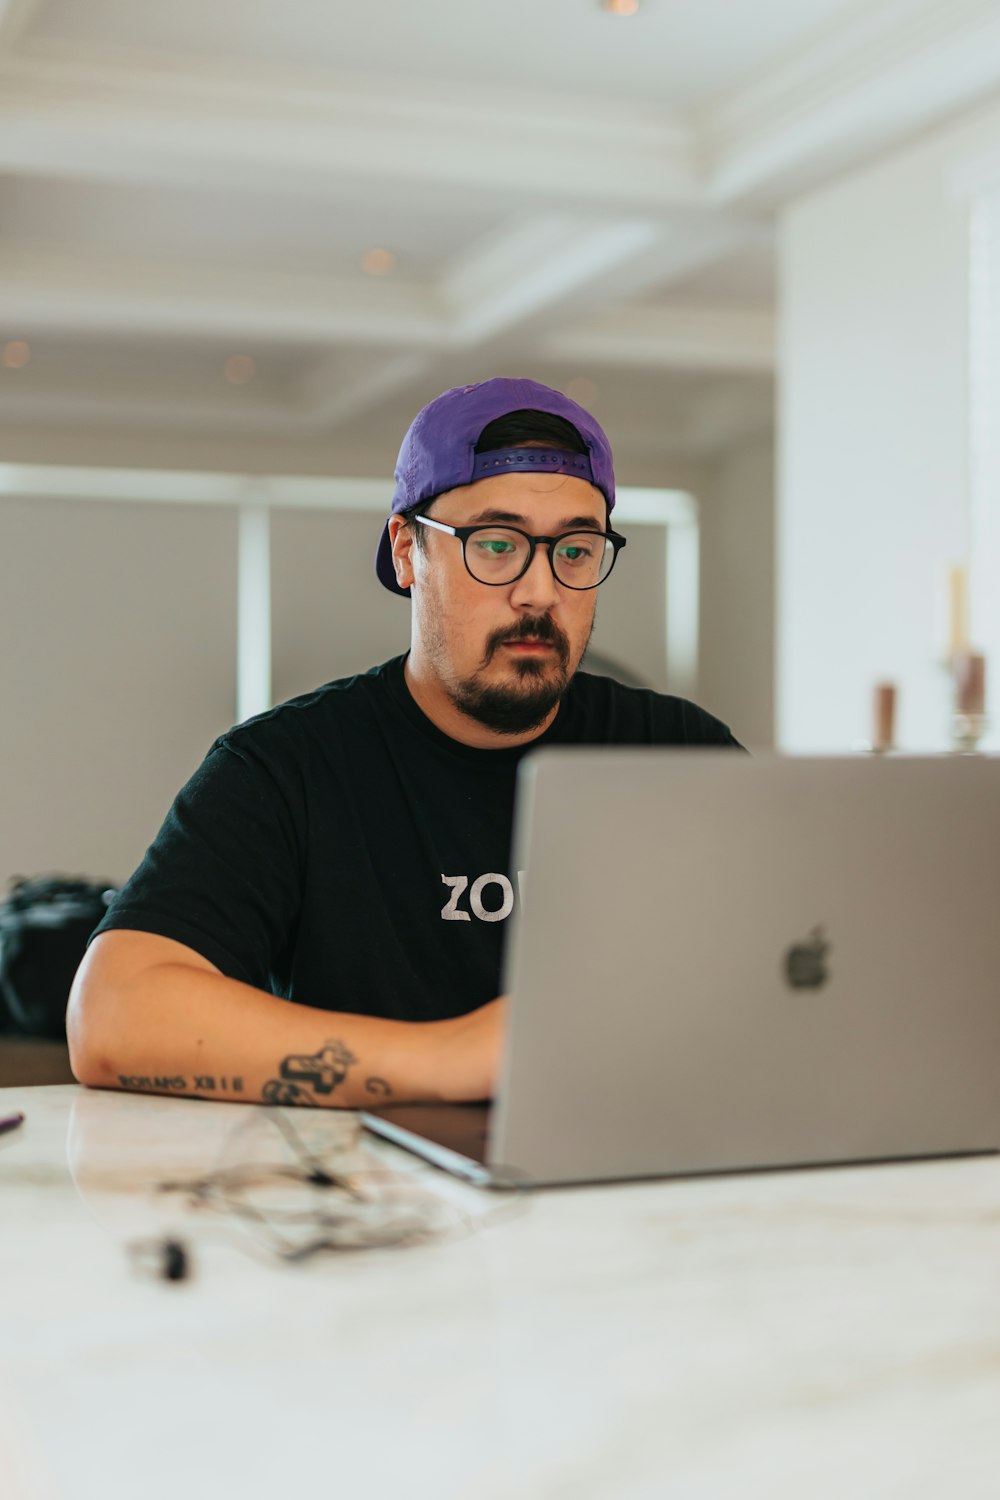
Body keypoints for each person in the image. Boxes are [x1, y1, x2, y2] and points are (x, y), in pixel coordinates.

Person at [68, 378, 742, 1109]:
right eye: (495, 544)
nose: (540, 592)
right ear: (405, 551)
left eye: (575, 551)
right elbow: (112, 1016)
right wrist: (454, 1058)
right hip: (373, 1200)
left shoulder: (682, 756)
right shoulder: (289, 767)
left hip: (643, 1179)